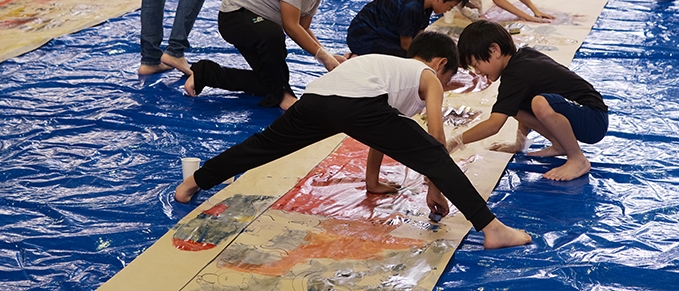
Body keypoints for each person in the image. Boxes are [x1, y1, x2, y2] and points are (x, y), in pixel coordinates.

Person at [175, 31, 532, 251]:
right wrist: (435, 189)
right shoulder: (428, 77)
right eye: (448, 75)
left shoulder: (384, 67)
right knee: (435, 154)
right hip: (357, 104)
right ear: (440, 64)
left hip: (316, 98)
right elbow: (436, 140)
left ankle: (192, 183)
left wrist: (372, 182)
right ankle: (492, 228)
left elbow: (382, 134)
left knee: (262, 146)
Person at [186, 0, 358, 110]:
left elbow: (303, 28)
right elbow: (290, 26)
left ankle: (206, 73)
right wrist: (323, 57)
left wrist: (326, 55)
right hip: (235, 17)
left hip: (257, 24)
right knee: (273, 36)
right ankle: (284, 93)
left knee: (268, 83)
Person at [450, 20, 608, 182]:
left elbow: (494, 125)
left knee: (540, 103)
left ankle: (577, 159)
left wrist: (456, 141)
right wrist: (520, 144)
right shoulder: (521, 58)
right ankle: (559, 144)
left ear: (494, 50)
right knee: (512, 105)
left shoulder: (516, 75)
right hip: (587, 114)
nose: (478, 72)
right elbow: (518, 106)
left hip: (592, 119)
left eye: (476, 64)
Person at [347, 0, 468, 57]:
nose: (448, 10)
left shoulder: (425, 4)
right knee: (405, 57)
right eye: (450, 6)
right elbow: (406, 44)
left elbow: (419, 35)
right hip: (363, 37)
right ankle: (355, 58)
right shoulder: (411, 7)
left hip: (382, 34)